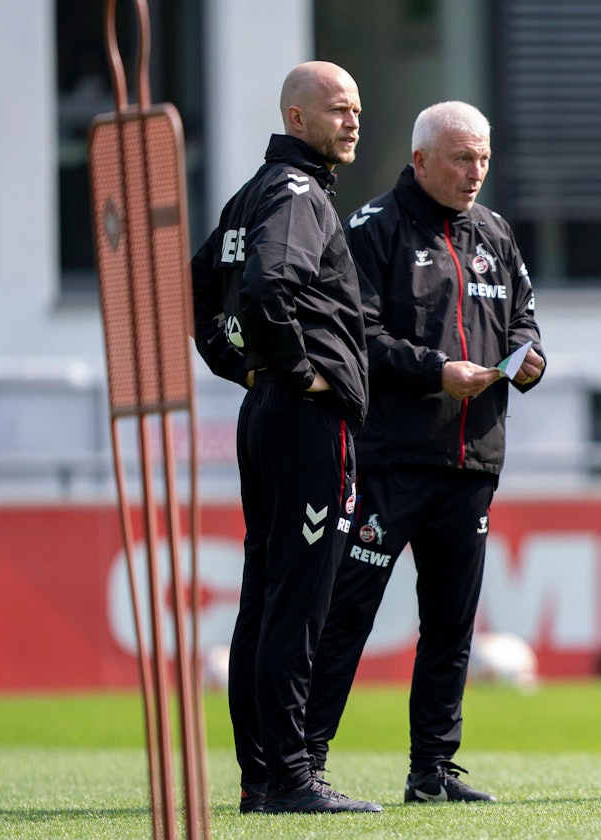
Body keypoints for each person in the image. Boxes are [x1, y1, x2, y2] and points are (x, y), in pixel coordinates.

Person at [304, 100, 545, 804]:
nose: (476, 172)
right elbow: (358, 338)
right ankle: (303, 763)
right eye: (462, 158)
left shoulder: (496, 232)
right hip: (392, 460)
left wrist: (531, 361)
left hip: (472, 462)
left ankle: (433, 771)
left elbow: (524, 318)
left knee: (451, 624)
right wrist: (433, 371)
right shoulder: (373, 230)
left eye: (484, 159)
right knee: (347, 613)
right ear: (420, 160)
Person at [190, 60, 381, 814]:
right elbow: (270, 286)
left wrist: (240, 368)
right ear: (297, 118)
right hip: (306, 421)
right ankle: (293, 778)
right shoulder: (299, 194)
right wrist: (298, 373)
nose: (353, 121)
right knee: (299, 601)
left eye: (357, 108)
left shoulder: (250, 194)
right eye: (338, 109)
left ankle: (260, 777)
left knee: (264, 599)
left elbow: (201, 284)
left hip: (265, 414)